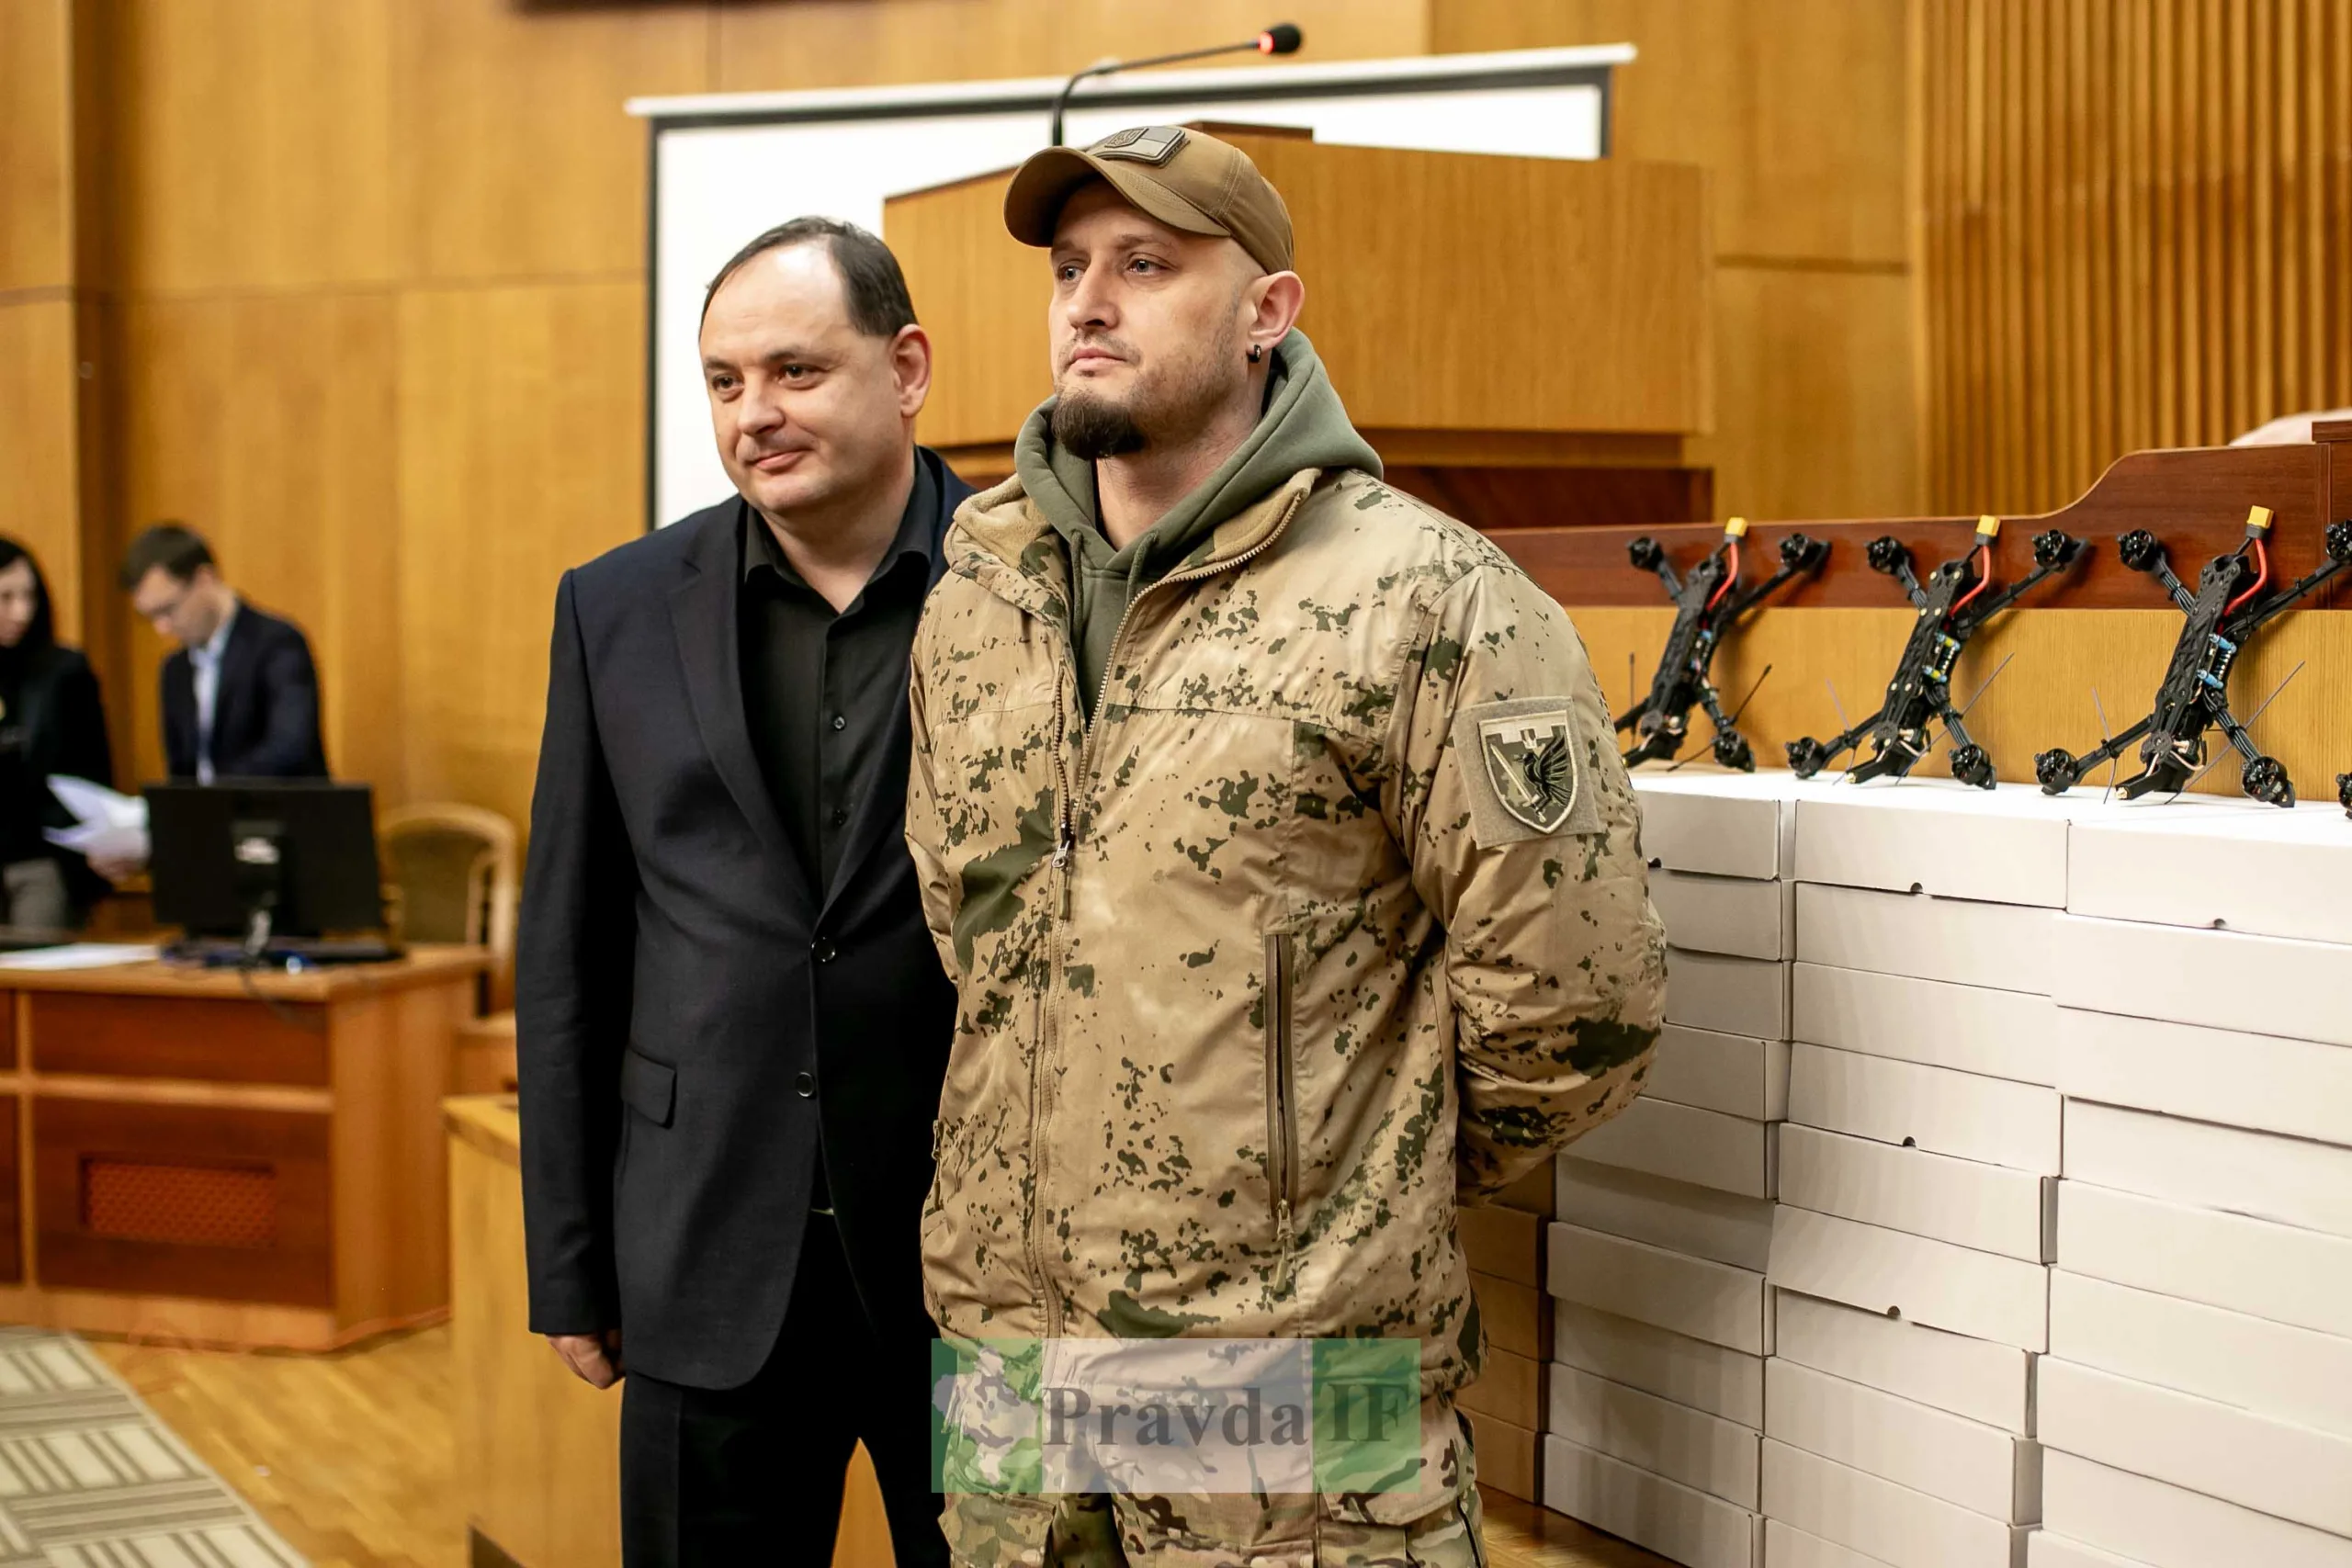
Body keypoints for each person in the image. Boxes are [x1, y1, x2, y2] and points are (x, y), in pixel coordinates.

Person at [903, 127, 1668, 1563]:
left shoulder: (1429, 598)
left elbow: (1580, 1004)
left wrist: (1351, 1174)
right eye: (1070, 267)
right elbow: (976, 939)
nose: (1089, 303)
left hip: (1291, 1399)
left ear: (1268, 311)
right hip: (1014, 1379)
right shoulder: (979, 600)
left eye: (1146, 265)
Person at [517, 217, 969, 1568]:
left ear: (906, 368)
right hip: (701, 1251)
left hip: (982, 1269)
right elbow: (568, 951)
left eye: (794, 372)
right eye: (724, 381)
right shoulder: (614, 606)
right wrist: (570, 1257)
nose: (753, 413)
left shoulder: (1041, 582)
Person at [119, 524, 328, 782]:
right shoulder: (175, 670)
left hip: (275, 806)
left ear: (204, 579)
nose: (162, 628)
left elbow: (289, 751)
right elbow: (181, 773)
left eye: (168, 609)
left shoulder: (278, 645)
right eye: (150, 617)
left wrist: (211, 794)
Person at [0, 539, 114, 930]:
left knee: (39, 959)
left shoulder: (63, 672)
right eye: (6, 597)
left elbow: (93, 772)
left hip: (42, 860)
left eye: (29, 596)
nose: (22, 612)